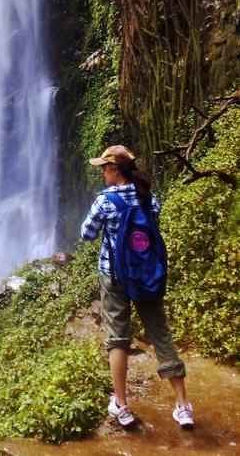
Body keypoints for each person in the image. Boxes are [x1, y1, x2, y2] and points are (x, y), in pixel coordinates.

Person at [80, 145, 194, 429]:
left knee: (118, 338)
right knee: (161, 333)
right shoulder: (149, 198)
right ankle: (183, 406)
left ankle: (121, 405)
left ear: (114, 170)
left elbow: (87, 234)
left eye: (104, 168)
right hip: (145, 275)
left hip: (114, 275)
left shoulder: (105, 201)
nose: (102, 173)